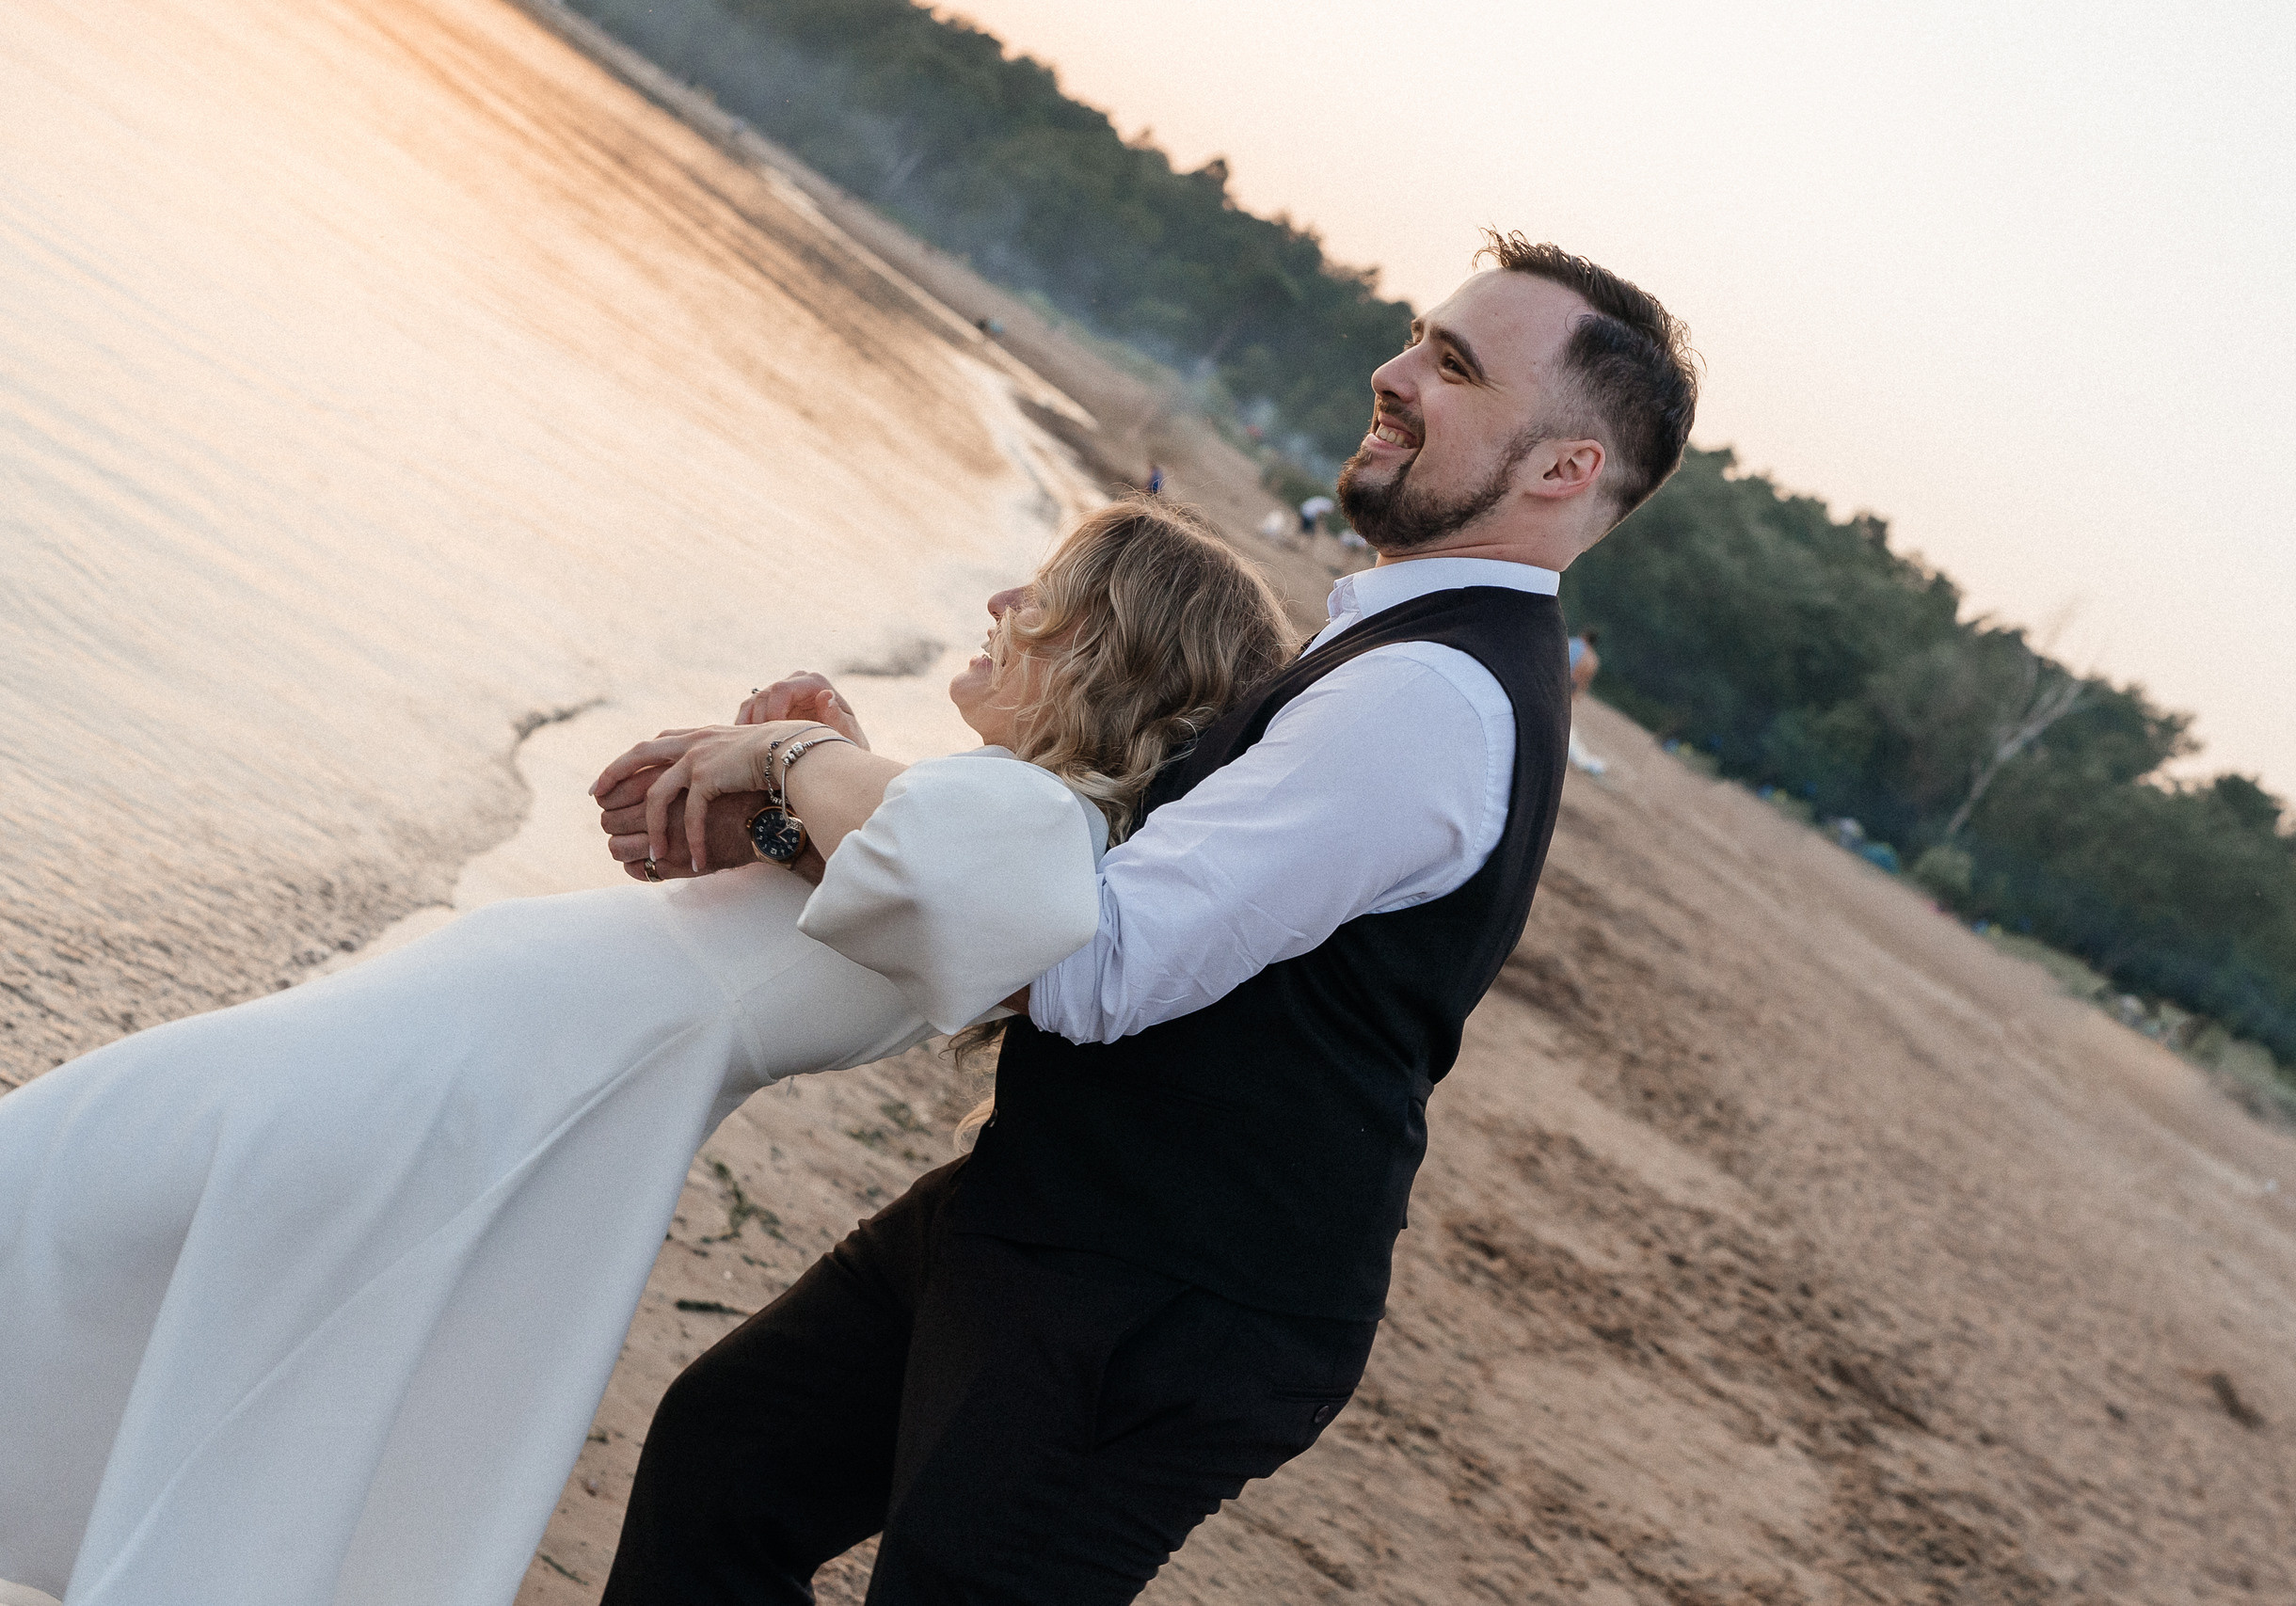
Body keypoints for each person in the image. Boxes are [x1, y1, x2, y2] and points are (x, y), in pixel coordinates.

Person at [0, 502, 1290, 1606]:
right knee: (161, 1279)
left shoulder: (1039, 833)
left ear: (1109, 651)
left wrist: (786, 751)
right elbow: (901, 882)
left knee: (39, 1206)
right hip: (451, 1071)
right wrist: (816, 769)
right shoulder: (980, 816)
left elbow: (966, 882)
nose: (999, 603)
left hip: (457, 1095)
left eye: (1042, 594)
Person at [598, 231, 1698, 1603]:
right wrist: (835, 814)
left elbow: (1089, 957)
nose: (1394, 370)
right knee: (728, 1460)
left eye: (1455, 366)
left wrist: (797, 766)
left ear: (1562, 470)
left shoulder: (1430, 696)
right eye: (1418, 337)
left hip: (1164, 1295)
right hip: (1056, 1210)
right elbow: (1097, 863)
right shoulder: (1401, 647)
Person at [1567, 626, 1608, 774]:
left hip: (1562, 681)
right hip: (1572, 689)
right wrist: (1576, 695)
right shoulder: (1593, 660)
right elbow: (1584, 683)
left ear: (1584, 635)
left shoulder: (1574, 644)